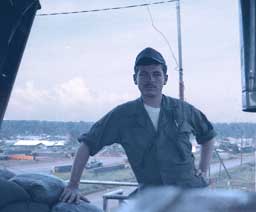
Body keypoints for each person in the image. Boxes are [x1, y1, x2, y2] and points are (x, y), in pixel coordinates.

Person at [59, 47, 216, 203]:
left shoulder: (184, 110)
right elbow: (87, 143)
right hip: (154, 200)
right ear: (135, 79)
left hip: (191, 196)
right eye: (144, 75)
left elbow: (208, 136)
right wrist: (73, 185)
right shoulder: (122, 116)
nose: (151, 80)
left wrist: (202, 169)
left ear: (165, 79)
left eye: (156, 74)